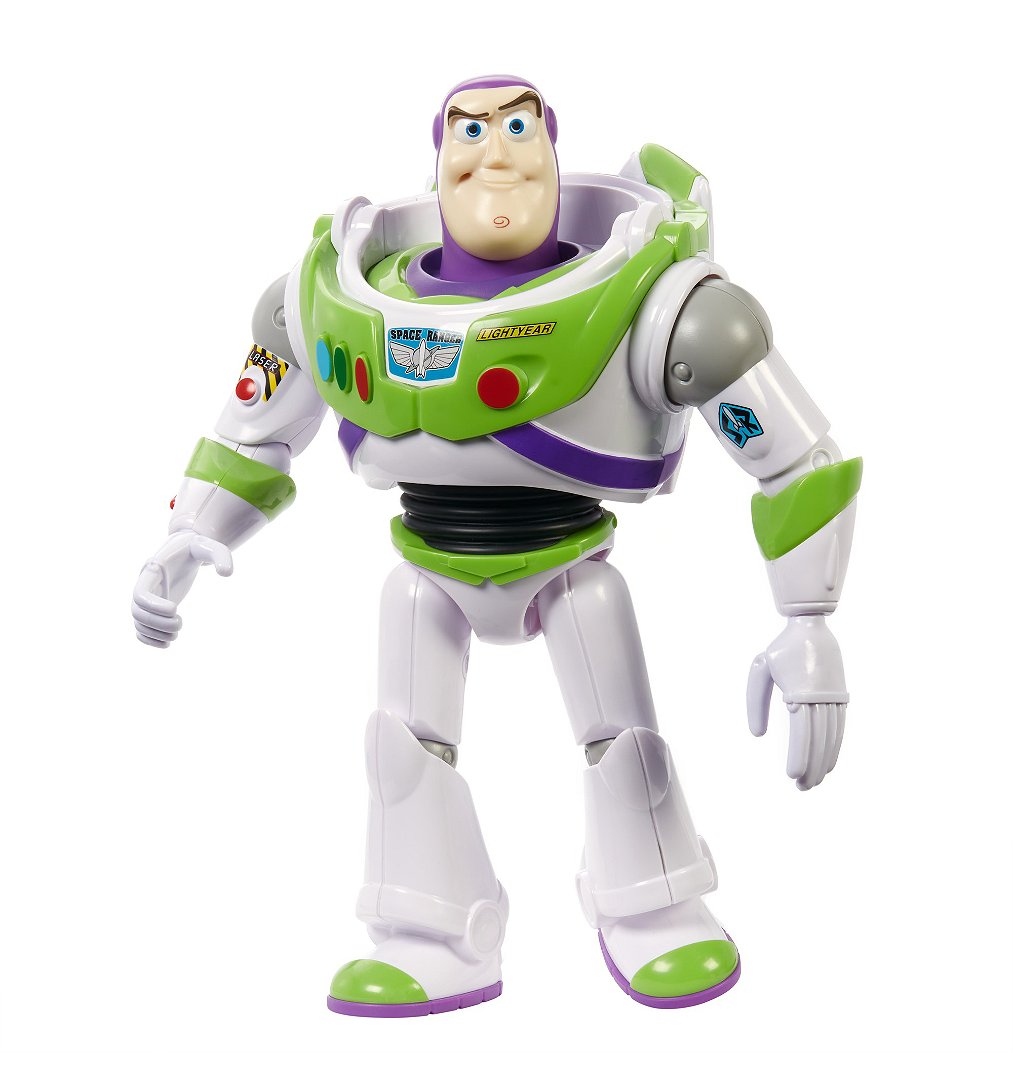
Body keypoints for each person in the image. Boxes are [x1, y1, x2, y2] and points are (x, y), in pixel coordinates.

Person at [132, 75, 861, 1016]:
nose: (496, 153)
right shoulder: (328, 299)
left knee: (621, 740)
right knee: (402, 745)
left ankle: (655, 907)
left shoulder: (657, 302)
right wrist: (190, 529)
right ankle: (432, 931)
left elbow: (794, 456)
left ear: (555, 151)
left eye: (520, 126)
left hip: (568, 561)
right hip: (426, 568)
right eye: (468, 132)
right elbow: (252, 428)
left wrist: (808, 619)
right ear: (436, 159)